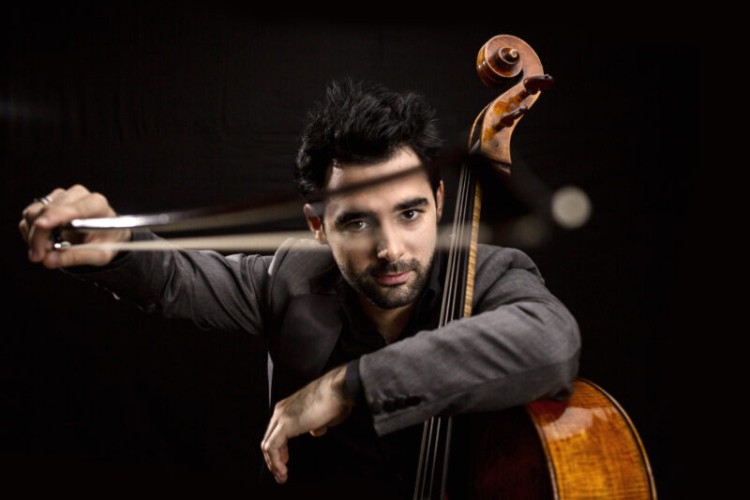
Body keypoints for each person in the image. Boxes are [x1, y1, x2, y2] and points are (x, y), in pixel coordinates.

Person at [19, 79, 580, 498]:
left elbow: (552, 343)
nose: (390, 248)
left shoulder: (491, 274)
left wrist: (345, 386)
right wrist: (111, 247)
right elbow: (175, 278)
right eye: (357, 222)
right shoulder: (292, 277)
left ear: (438, 202)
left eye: (409, 213)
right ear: (317, 225)